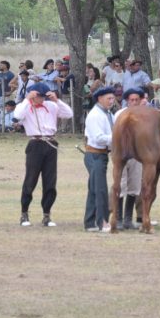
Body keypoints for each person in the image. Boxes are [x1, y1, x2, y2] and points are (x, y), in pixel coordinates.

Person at [13, 82, 73, 227]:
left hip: (50, 143)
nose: (41, 99)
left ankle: (47, 215)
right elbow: (17, 115)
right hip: (35, 143)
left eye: (43, 96)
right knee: (31, 179)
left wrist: (57, 100)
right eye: (39, 96)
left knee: (50, 181)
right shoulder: (25, 106)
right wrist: (27, 99)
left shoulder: (51, 106)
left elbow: (68, 114)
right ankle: (24, 214)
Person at [83, 86, 115, 233]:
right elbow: (98, 138)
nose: (112, 101)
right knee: (100, 189)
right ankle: (103, 222)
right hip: (94, 154)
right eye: (109, 98)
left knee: (94, 188)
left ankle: (90, 222)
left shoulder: (108, 114)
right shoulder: (95, 115)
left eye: (113, 98)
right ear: (100, 99)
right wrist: (118, 137)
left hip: (101, 155)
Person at [113, 88, 144, 229]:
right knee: (121, 184)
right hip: (122, 154)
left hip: (137, 154)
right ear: (127, 101)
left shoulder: (144, 116)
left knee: (134, 186)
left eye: (137, 99)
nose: (134, 102)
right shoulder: (119, 114)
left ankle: (127, 219)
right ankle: (118, 218)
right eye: (132, 100)